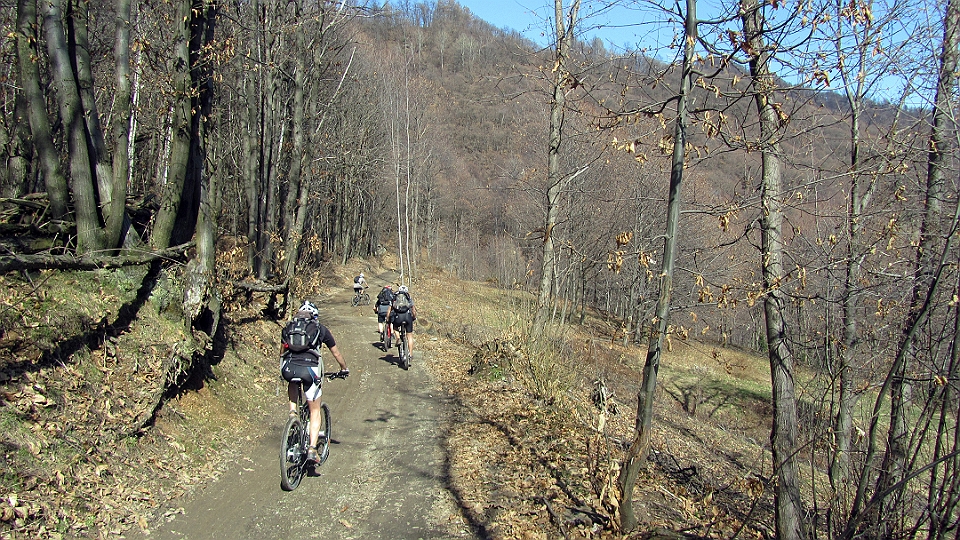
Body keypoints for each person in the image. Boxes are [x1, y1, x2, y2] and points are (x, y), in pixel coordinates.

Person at [280, 301, 348, 463]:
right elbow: (336, 353)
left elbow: (282, 352)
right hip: (309, 371)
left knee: (292, 381)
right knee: (315, 410)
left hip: (288, 368)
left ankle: (292, 413)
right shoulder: (321, 329)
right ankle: (312, 448)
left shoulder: (288, 328)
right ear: (315, 316)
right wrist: (344, 368)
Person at [386, 285, 417, 359]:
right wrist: (414, 317)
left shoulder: (395, 297)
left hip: (398, 317)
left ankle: (398, 338)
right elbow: (413, 309)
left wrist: (388, 318)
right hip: (407, 317)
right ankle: (410, 354)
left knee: (395, 327)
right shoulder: (408, 297)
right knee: (409, 336)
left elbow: (389, 309)